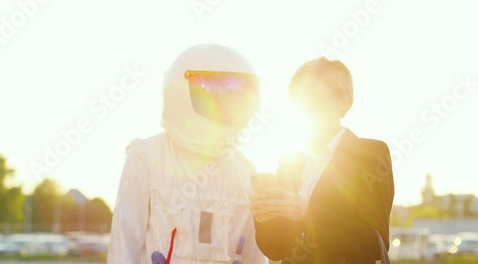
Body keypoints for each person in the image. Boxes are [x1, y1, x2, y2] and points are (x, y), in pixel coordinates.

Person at [107, 44, 267, 263]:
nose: (225, 105)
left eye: (236, 97)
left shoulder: (244, 171)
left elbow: (255, 255)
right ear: (181, 90)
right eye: (214, 94)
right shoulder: (147, 156)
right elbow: (125, 243)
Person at [250, 57, 394, 264]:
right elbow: (277, 249)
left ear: (344, 100)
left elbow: (373, 245)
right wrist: (264, 218)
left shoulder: (370, 154)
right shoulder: (290, 160)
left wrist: (307, 211)